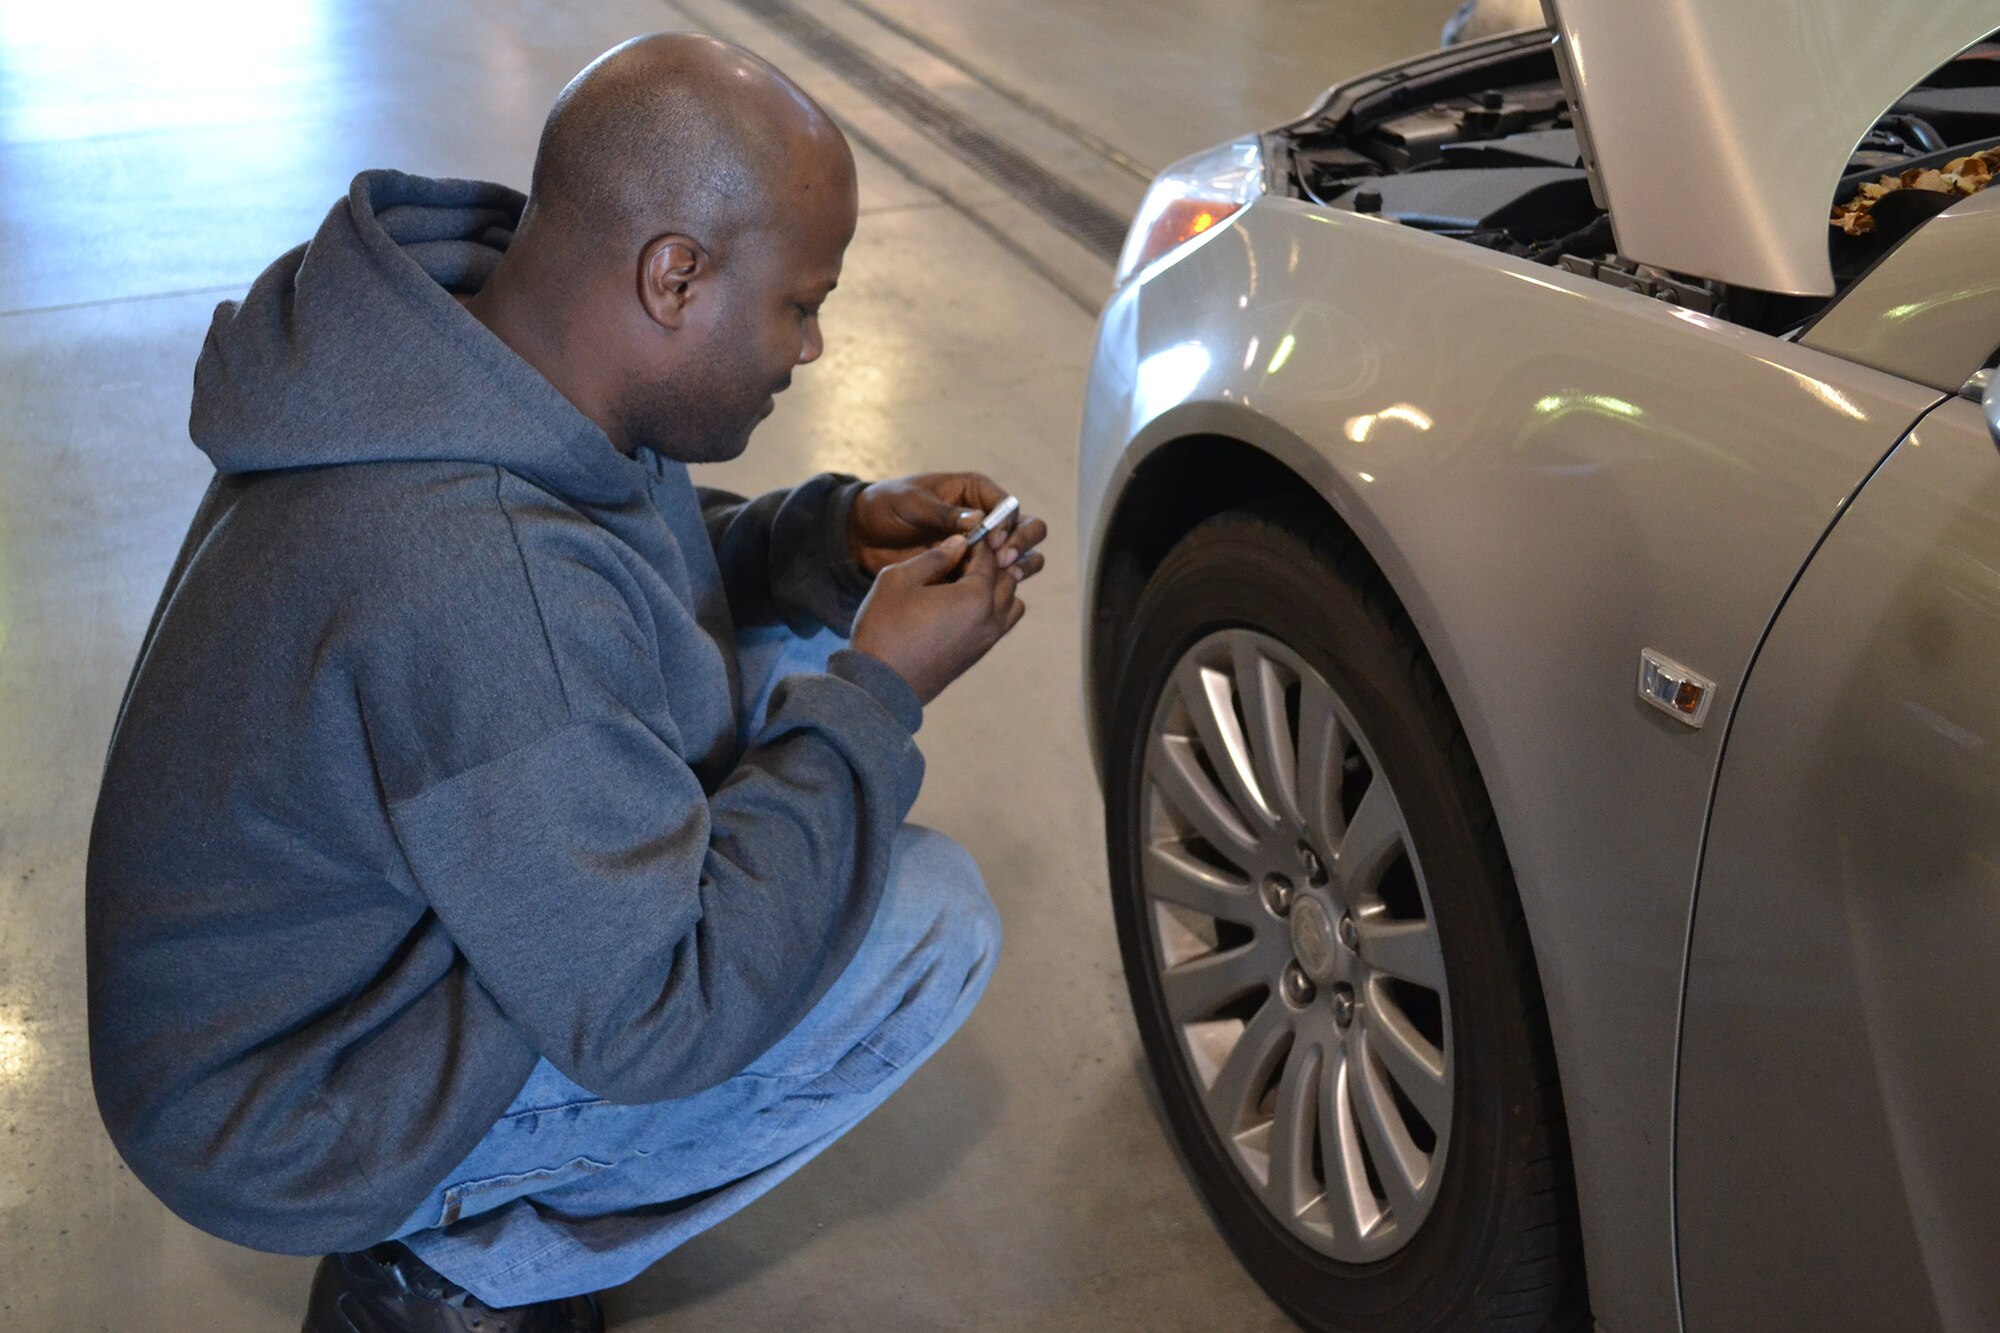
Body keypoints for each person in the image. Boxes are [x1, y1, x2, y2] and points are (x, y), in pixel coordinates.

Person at [84, 32, 1046, 1333]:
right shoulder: (472, 571)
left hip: (325, 956)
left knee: (805, 654)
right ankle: (445, 1273)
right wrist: (881, 691)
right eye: (801, 302)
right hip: (288, 1099)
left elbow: (614, 573)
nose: (813, 347)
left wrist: (817, 541)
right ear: (675, 276)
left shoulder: (478, 357)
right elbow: (664, 1009)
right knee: (925, 920)